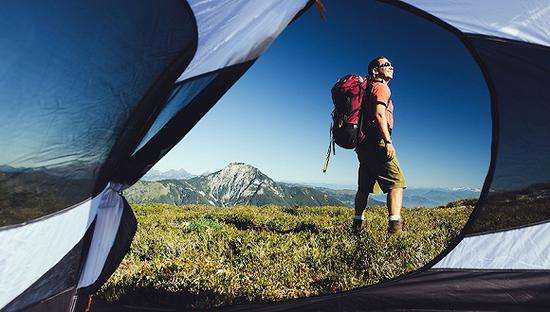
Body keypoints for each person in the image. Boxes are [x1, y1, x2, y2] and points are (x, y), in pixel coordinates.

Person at [353, 56, 407, 234]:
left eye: (391, 64)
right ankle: (395, 229)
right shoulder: (381, 87)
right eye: (386, 65)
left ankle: (357, 226)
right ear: (375, 71)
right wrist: (388, 141)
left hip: (363, 145)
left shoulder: (368, 88)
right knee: (396, 183)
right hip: (377, 142)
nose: (391, 67)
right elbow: (379, 115)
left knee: (364, 188)